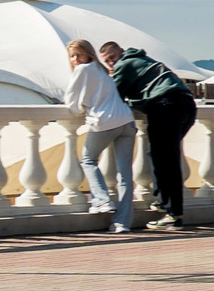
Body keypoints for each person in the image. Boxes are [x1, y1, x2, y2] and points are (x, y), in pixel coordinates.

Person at [99, 40, 198, 231]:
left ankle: (173, 214)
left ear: (121, 52)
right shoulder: (144, 60)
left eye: (113, 57)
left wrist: (110, 77)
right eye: (107, 61)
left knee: (166, 161)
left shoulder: (125, 64)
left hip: (165, 106)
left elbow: (113, 96)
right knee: (160, 155)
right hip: (186, 104)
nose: (112, 63)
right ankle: (163, 201)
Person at [62, 39, 137, 232]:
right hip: (127, 122)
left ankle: (102, 200)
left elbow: (71, 102)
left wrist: (80, 109)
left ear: (88, 54)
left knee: (88, 160)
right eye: (72, 56)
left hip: (104, 123)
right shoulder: (102, 70)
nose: (75, 59)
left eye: (78, 55)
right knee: (125, 175)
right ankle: (122, 223)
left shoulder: (82, 70)